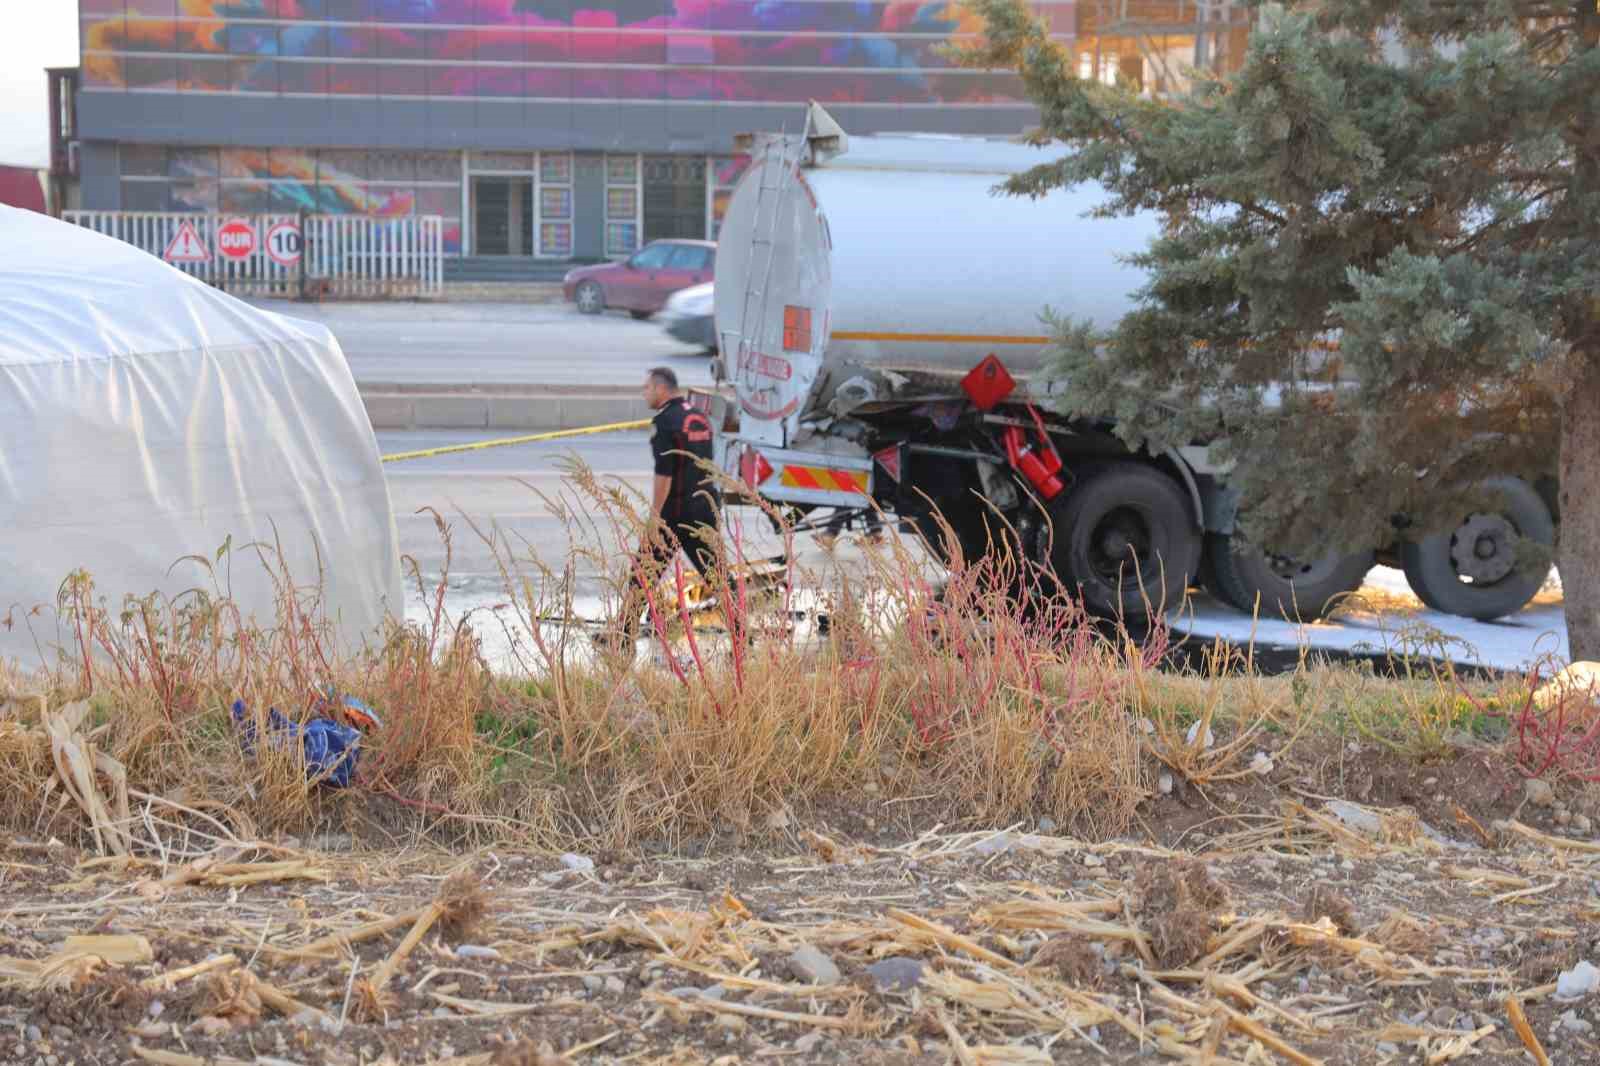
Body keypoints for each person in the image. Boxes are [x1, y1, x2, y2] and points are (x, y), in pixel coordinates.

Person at [603, 367, 721, 651]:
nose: (645, 393)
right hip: (706, 508)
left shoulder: (665, 421)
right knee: (718, 577)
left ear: (661, 389)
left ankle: (623, 638)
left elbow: (664, 474)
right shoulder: (699, 417)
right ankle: (743, 638)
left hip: (675, 514)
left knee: (642, 576)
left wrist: (655, 518)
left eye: (647, 388)